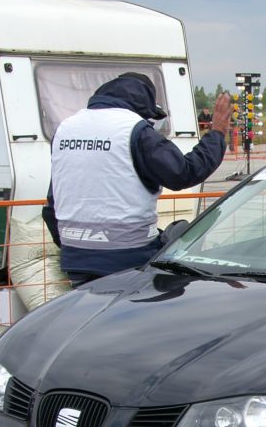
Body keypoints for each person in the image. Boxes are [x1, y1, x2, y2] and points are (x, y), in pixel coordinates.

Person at [42, 72, 231, 285]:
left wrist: (74, 247)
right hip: (128, 258)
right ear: (143, 105)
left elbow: (52, 205)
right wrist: (216, 134)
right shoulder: (134, 129)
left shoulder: (66, 129)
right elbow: (183, 173)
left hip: (75, 259)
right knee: (180, 236)